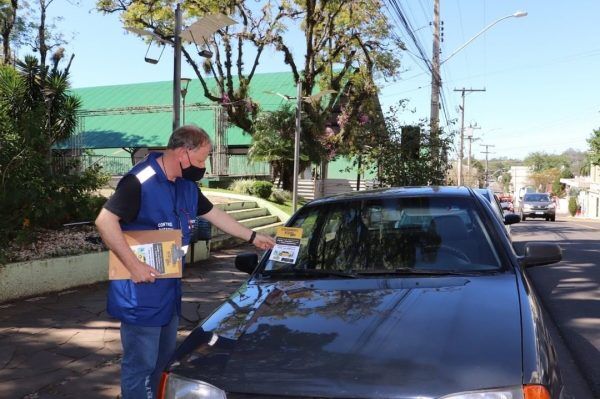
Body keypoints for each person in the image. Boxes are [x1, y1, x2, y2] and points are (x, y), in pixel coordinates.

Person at [95, 125, 275, 399]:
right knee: (139, 366)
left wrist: (253, 237)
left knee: (164, 364)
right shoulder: (139, 181)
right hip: (140, 293)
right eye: (201, 159)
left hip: (168, 291)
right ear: (182, 152)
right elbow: (105, 221)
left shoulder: (186, 186)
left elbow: (215, 215)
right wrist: (133, 265)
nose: (203, 167)